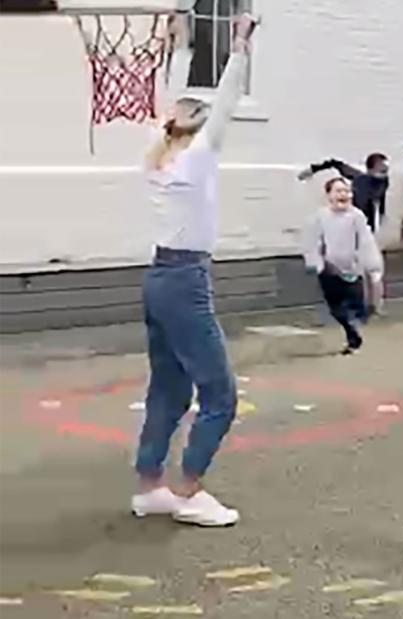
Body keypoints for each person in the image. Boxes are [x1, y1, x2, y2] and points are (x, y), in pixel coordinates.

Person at [132, 13, 257, 527]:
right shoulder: (199, 156)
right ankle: (188, 490)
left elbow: (172, 103)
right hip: (184, 281)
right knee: (219, 394)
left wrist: (181, 47)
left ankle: (150, 486)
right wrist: (241, 46)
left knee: (168, 388)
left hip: (158, 278)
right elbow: (224, 102)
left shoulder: (158, 155)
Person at [298, 153, 389, 313]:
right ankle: (360, 303)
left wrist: (380, 217)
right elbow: (336, 163)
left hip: (363, 231)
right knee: (354, 269)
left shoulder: (381, 181)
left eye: (385, 170)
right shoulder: (361, 180)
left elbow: (379, 201)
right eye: (381, 169)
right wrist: (313, 169)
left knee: (372, 270)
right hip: (349, 230)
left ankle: (374, 304)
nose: (384, 173)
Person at [303, 177, 383, 354]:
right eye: (338, 191)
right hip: (329, 270)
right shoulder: (320, 217)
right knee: (337, 309)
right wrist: (315, 264)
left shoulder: (356, 216)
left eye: (346, 191)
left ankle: (355, 330)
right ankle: (351, 333)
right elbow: (313, 242)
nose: (343, 195)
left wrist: (373, 266)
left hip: (353, 268)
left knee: (356, 305)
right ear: (329, 195)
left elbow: (366, 241)